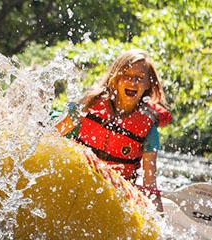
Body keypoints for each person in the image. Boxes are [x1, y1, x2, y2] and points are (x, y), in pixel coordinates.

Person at [55, 49, 171, 211]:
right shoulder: (90, 105)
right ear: (115, 78)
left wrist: (160, 224)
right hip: (76, 178)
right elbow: (51, 136)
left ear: (148, 84)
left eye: (139, 78)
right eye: (126, 75)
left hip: (113, 192)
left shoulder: (148, 130)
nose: (132, 82)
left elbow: (150, 184)